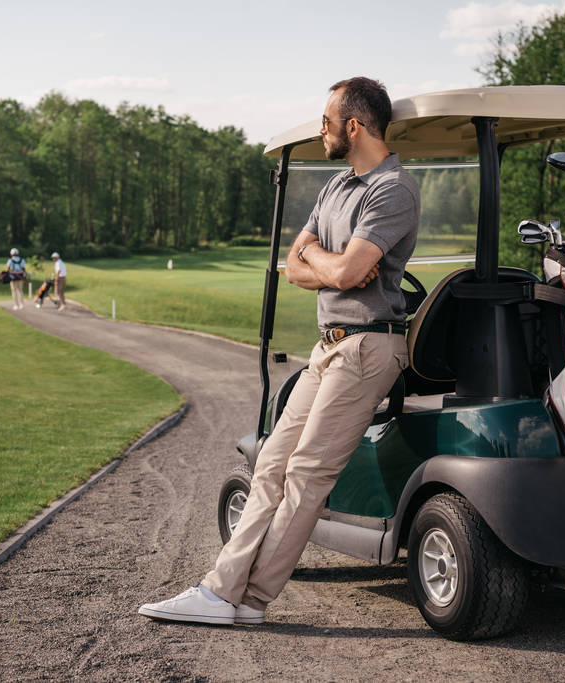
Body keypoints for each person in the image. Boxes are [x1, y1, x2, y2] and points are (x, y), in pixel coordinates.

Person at [138, 76, 420, 626]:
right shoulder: (335, 187)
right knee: (271, 462)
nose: (321, 129)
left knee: (308, 473)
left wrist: (329, 263)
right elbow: (295, 267)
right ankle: (226, 595)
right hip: (328, 346)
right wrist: (330, 265)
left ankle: (245, 598)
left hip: (369, 348)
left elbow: (346, 268)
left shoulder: (393, 189)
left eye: (326, 121)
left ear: (354, 125)